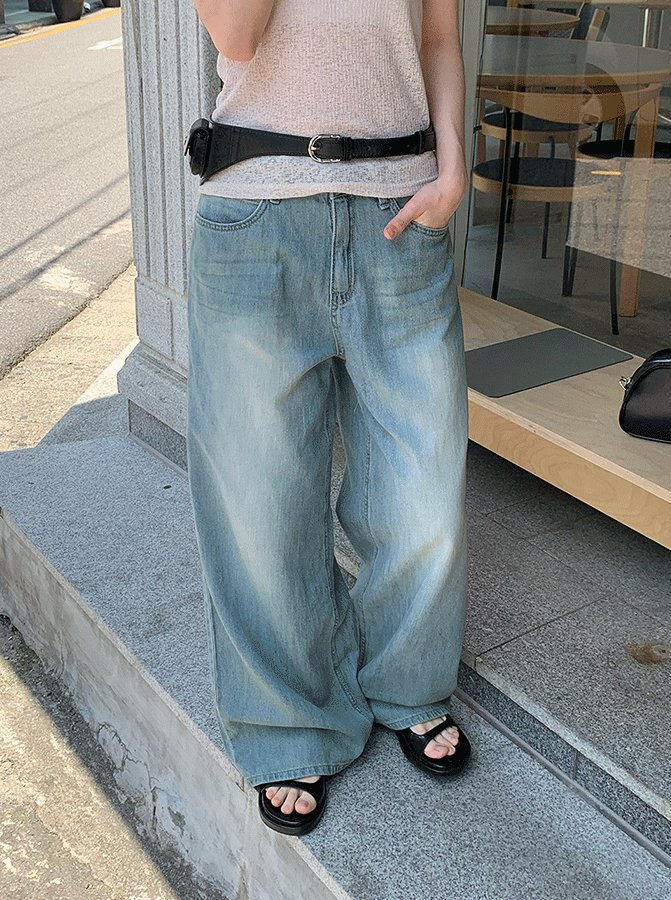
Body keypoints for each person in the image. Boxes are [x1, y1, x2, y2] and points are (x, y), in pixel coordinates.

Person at [187, 0, 471, 836]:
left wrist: (453, 167)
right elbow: (237, 36)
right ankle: (288, 723)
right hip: (259, 214)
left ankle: (407, 682)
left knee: (422, 486)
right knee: (262, 501)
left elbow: (439, 34)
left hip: (401, 214)